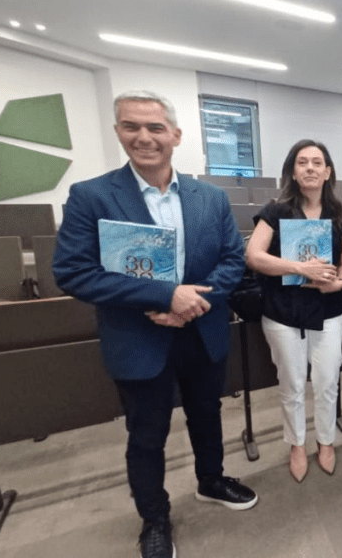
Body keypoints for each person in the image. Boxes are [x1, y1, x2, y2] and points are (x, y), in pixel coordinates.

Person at [53, 90, 257, 558]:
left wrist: (193, 303)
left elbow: (232, 260)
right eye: (131, 126)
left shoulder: (210, 197)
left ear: (176, 135)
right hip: (139, 337)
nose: (144, 137)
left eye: (155, 127)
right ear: (118, 132)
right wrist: (166, 296)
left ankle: (210, 480)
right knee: (147, 434)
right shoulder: (92, 196)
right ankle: (154, 517)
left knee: (207, 414)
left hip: (202, 329)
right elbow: (73, 272)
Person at [245, 140, 342, 483]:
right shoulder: (275, 211)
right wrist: (300, 268)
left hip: (328, 310)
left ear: (328, 172)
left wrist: (338, 283)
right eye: (302, 162)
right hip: (282, 311)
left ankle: (326, 440)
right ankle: (296, 444)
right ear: (293, 171)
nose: (310, 168)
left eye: (317, 162)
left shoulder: (341, 217)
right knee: (291, 383)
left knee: (327, 381)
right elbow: (254, 256)